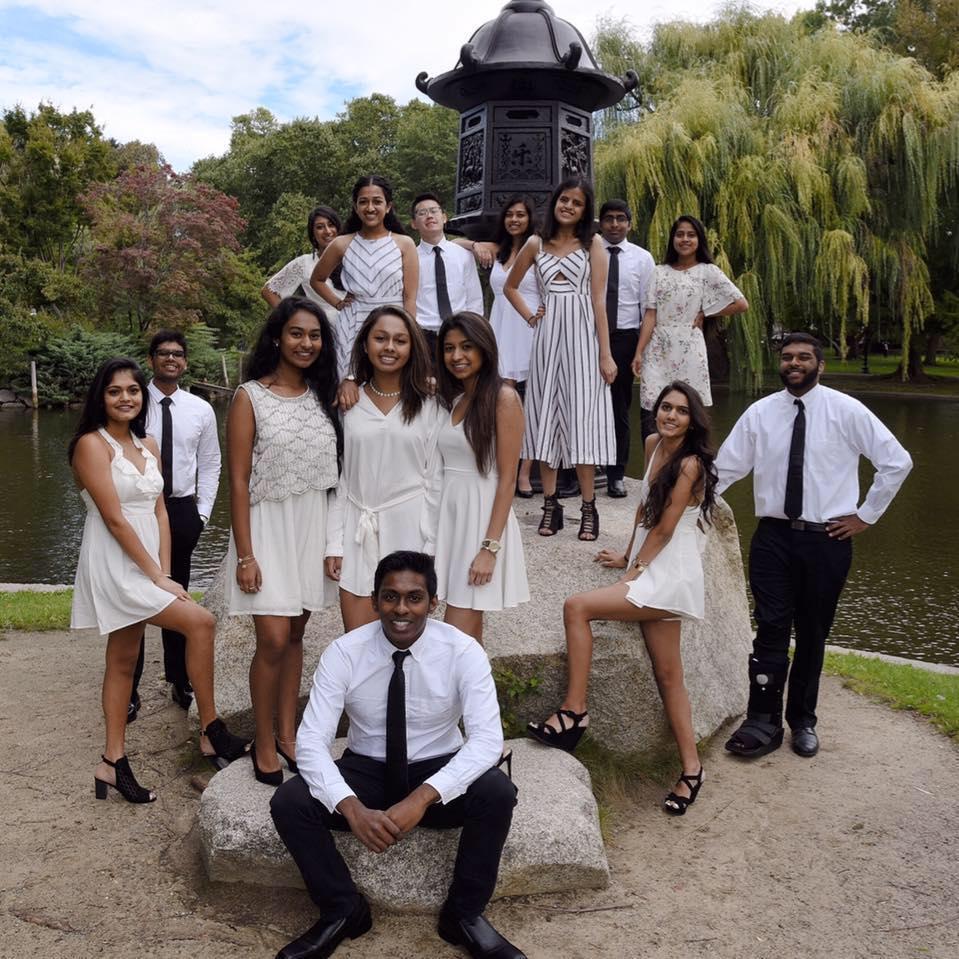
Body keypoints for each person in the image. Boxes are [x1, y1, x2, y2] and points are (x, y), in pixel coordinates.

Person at [269, 551, 525, 959]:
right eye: (390, 597)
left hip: (437, 770)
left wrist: (422, 798)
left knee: (496, 792)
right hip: (367, 769)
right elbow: (312, 741)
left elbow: (486, 741)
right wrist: (351, 807)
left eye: (414, 597)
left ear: (433, 603)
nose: (401, 609)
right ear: (374, 601)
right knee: (290, 800)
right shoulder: (344, 652)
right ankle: (343, 910)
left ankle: (463, 915)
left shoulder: (463, 651)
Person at [716, 333, 912, 759]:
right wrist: (684, 503)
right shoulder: (760, 414)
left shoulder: (847, 411)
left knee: (812, 632)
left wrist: (865, 515)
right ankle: (762, 721)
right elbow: (725, 470)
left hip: (827, 539)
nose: (794, 363)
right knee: (770, 627)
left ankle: (802, 721)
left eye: (804, 357)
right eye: (787, 357)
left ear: (819, 365)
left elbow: (897, 462)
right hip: (773, 538)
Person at [527, 381, 716, 815]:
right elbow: (644, 510)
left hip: (671, 572)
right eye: (665, 407)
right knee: (668, 674)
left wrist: (635, 573)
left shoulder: (691, 464)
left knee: (577, 606)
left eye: (681, 411)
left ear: (693, 420)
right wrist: (628, 554)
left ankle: (574, 711)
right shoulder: (653, 444)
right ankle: (692, 770)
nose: (670, 416)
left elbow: (666, 528)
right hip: (653, 565)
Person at [69, 358, 247, 804]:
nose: (125, 398)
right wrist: (154, 577)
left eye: (132, 390)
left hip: (149, 559)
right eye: (114, 391)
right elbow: (114, 518)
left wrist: (164, 572)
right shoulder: (92, 445)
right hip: (116, 559)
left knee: (124, 657)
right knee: (200, 622)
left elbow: (160, 511)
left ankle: (111, 762)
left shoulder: (147, 444)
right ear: (101, 397)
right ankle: (210, 731)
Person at [226, 297, 342, 786]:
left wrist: (333, 542)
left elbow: (338, 480)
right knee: (272, 639)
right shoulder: (249, 396)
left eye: (314, 335)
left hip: (312, 526)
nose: (306, 343)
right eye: (296, 333)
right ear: (277, 337)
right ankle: (263, 741)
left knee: (295, 635)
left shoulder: (327, 395)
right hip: (267, 529)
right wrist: (245, 555)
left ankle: (289, 735)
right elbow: (237, 481)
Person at [504, 176, 617, 541]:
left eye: (577, 203)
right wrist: (530, 315)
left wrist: (606, 354)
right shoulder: (535, 243)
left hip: (584, 341)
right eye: (564, 199)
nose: (568, 206)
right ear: (554, 202)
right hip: (547, 341)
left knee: (582, 422)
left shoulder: (593, 243)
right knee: (546, 422)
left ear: (585, 210)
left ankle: (588, 507)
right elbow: (510, 286)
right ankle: (550, 506)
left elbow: (598, 301)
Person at [325, 305, 443, 632]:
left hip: (410, 531)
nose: (389, 347)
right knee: (357, 640)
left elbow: (434, 480)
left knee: (405, 638)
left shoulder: (429, 403)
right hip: (358, 531)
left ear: (412, 348)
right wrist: (334, 543)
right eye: (380, 338)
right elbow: (341, 480)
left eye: (400, 341)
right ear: (365, 344)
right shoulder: (348, 403)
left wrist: (431, 545)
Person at [128, 330, 221, 720]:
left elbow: (211, 464)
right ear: (151, 359)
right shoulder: (133, 401)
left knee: (176, 594)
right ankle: (128, 688)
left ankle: (180, 679)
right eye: (163, 353)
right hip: (138, 508)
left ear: (185, 362)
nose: (171, 359)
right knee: (132, 596)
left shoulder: (200, 409)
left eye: (178, 354)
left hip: (182, 510)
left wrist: (202, 514)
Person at [434, 312, 529, 643]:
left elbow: (508, 480)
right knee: (467, 643)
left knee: (453, 636)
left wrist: (489, 548)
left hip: (481, 522)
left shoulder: (504, 398)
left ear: (484, 348)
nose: (456, 356)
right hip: (452, 519)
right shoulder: (456, 399)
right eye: (449, 348)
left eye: (466, 346)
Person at [631, 215, 748, 420]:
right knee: (653, 407)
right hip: (658, 346)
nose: (685, 239)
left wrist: (706, 313)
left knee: (690, 406)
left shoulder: (707, 271)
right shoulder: (659, 272)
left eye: (691, 235)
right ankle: (653, 442)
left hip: (690, 345)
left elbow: (741, 303)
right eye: (680, 234)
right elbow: (650, 315)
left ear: (699, 239)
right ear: (673, 239)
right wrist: (639, 353)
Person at [309, 176, 418, 390]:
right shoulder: (342, 243)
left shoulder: (404, 243)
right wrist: (338, 303)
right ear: (355, 207)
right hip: (353, 325)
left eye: (377, 201)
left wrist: (411, 333)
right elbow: (317, 279)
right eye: (363, 202)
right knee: (349, 389)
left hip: (395, 323)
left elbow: (410, 297)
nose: (370, 208)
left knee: (394, 386)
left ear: (388, 207)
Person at [469, 195, 540, 497]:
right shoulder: (498, 250)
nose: (514, 220)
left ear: (530, 218)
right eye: (509, 214)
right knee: (501, 399)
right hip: (500, 326)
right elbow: (456, 243)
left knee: (534, 401)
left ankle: (524, 473)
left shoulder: (539, 249)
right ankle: (502, 466)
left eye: (520, 215)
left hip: (530, 325)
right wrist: (476, 245)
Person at [597, 200, 655, 498]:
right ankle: (582, 466)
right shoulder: (588, 252)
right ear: (601, 223)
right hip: (589, 336)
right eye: (609, 219)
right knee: (586, 404)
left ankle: (616, 473)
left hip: (624, 338)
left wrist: (640, 351)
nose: (615, 224)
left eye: (621, 219)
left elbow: (648, 308)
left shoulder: (643, 259)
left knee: (619, 406)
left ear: (630, 224)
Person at [411, 192, 484, 360]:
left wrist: (475, 331)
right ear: (414, 223)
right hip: (424, 334)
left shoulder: (463, 255)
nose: (429, 216)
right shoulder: (410, 258)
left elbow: (474, 298)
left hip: (461, 331)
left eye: (434, 211)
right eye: (422, 213)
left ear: (444, 217)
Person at [261, 205, 345, 321]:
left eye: (331, 225)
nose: (327, 231)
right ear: (313, 234)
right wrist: (294, 320)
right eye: (320, 227)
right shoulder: (304, 263)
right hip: (323, 330)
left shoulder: (354, 259)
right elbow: (268, 291)